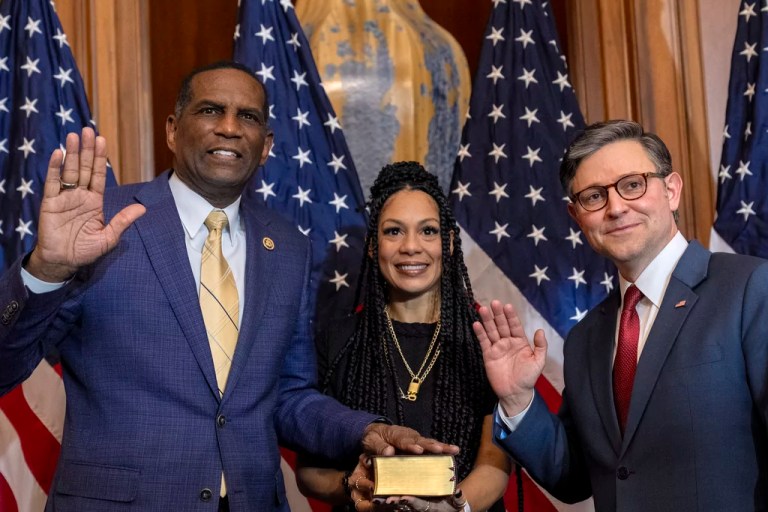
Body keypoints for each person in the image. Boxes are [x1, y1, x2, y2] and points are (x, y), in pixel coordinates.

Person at [0, 61, 458, 511]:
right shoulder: (102, 222)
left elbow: (288, 395)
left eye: (249, 117)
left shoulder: (288, 247)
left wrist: (364, 430)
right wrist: (46, 269)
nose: (229, 128)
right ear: (172, 131)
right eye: (210, 110)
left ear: (265, 146)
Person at [473, 120, 768, 511]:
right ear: (577, 217)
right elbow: (573, 478)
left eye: (632, 184)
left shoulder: (750, 287)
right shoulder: (586, 338)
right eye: (594, 196)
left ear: (672, 190)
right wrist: (517, 400)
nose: (615, 208)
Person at [295, 162, 511, 512]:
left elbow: (495, 463)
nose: (411, 246)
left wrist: (453, 509)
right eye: (394, 231)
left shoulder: (483, 340)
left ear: (450, 242)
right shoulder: (337, 342)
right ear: (372, 245)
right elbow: (309, 471)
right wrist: (354, 487)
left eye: (428, 231)